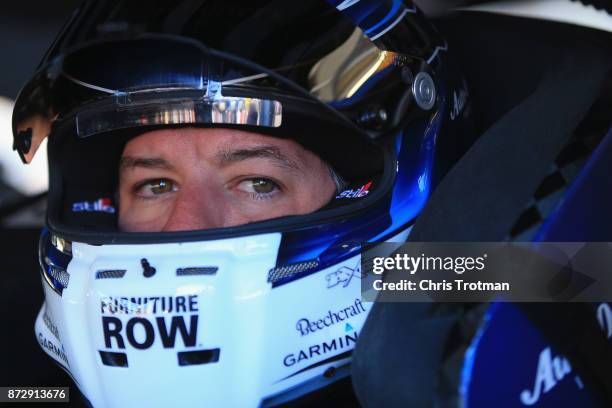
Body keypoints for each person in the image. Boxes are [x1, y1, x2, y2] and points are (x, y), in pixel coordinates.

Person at [11, 0, 473, 406]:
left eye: (257, 183)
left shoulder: (483, 285)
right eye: (155, 185)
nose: (186, 227)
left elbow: (539, 272)